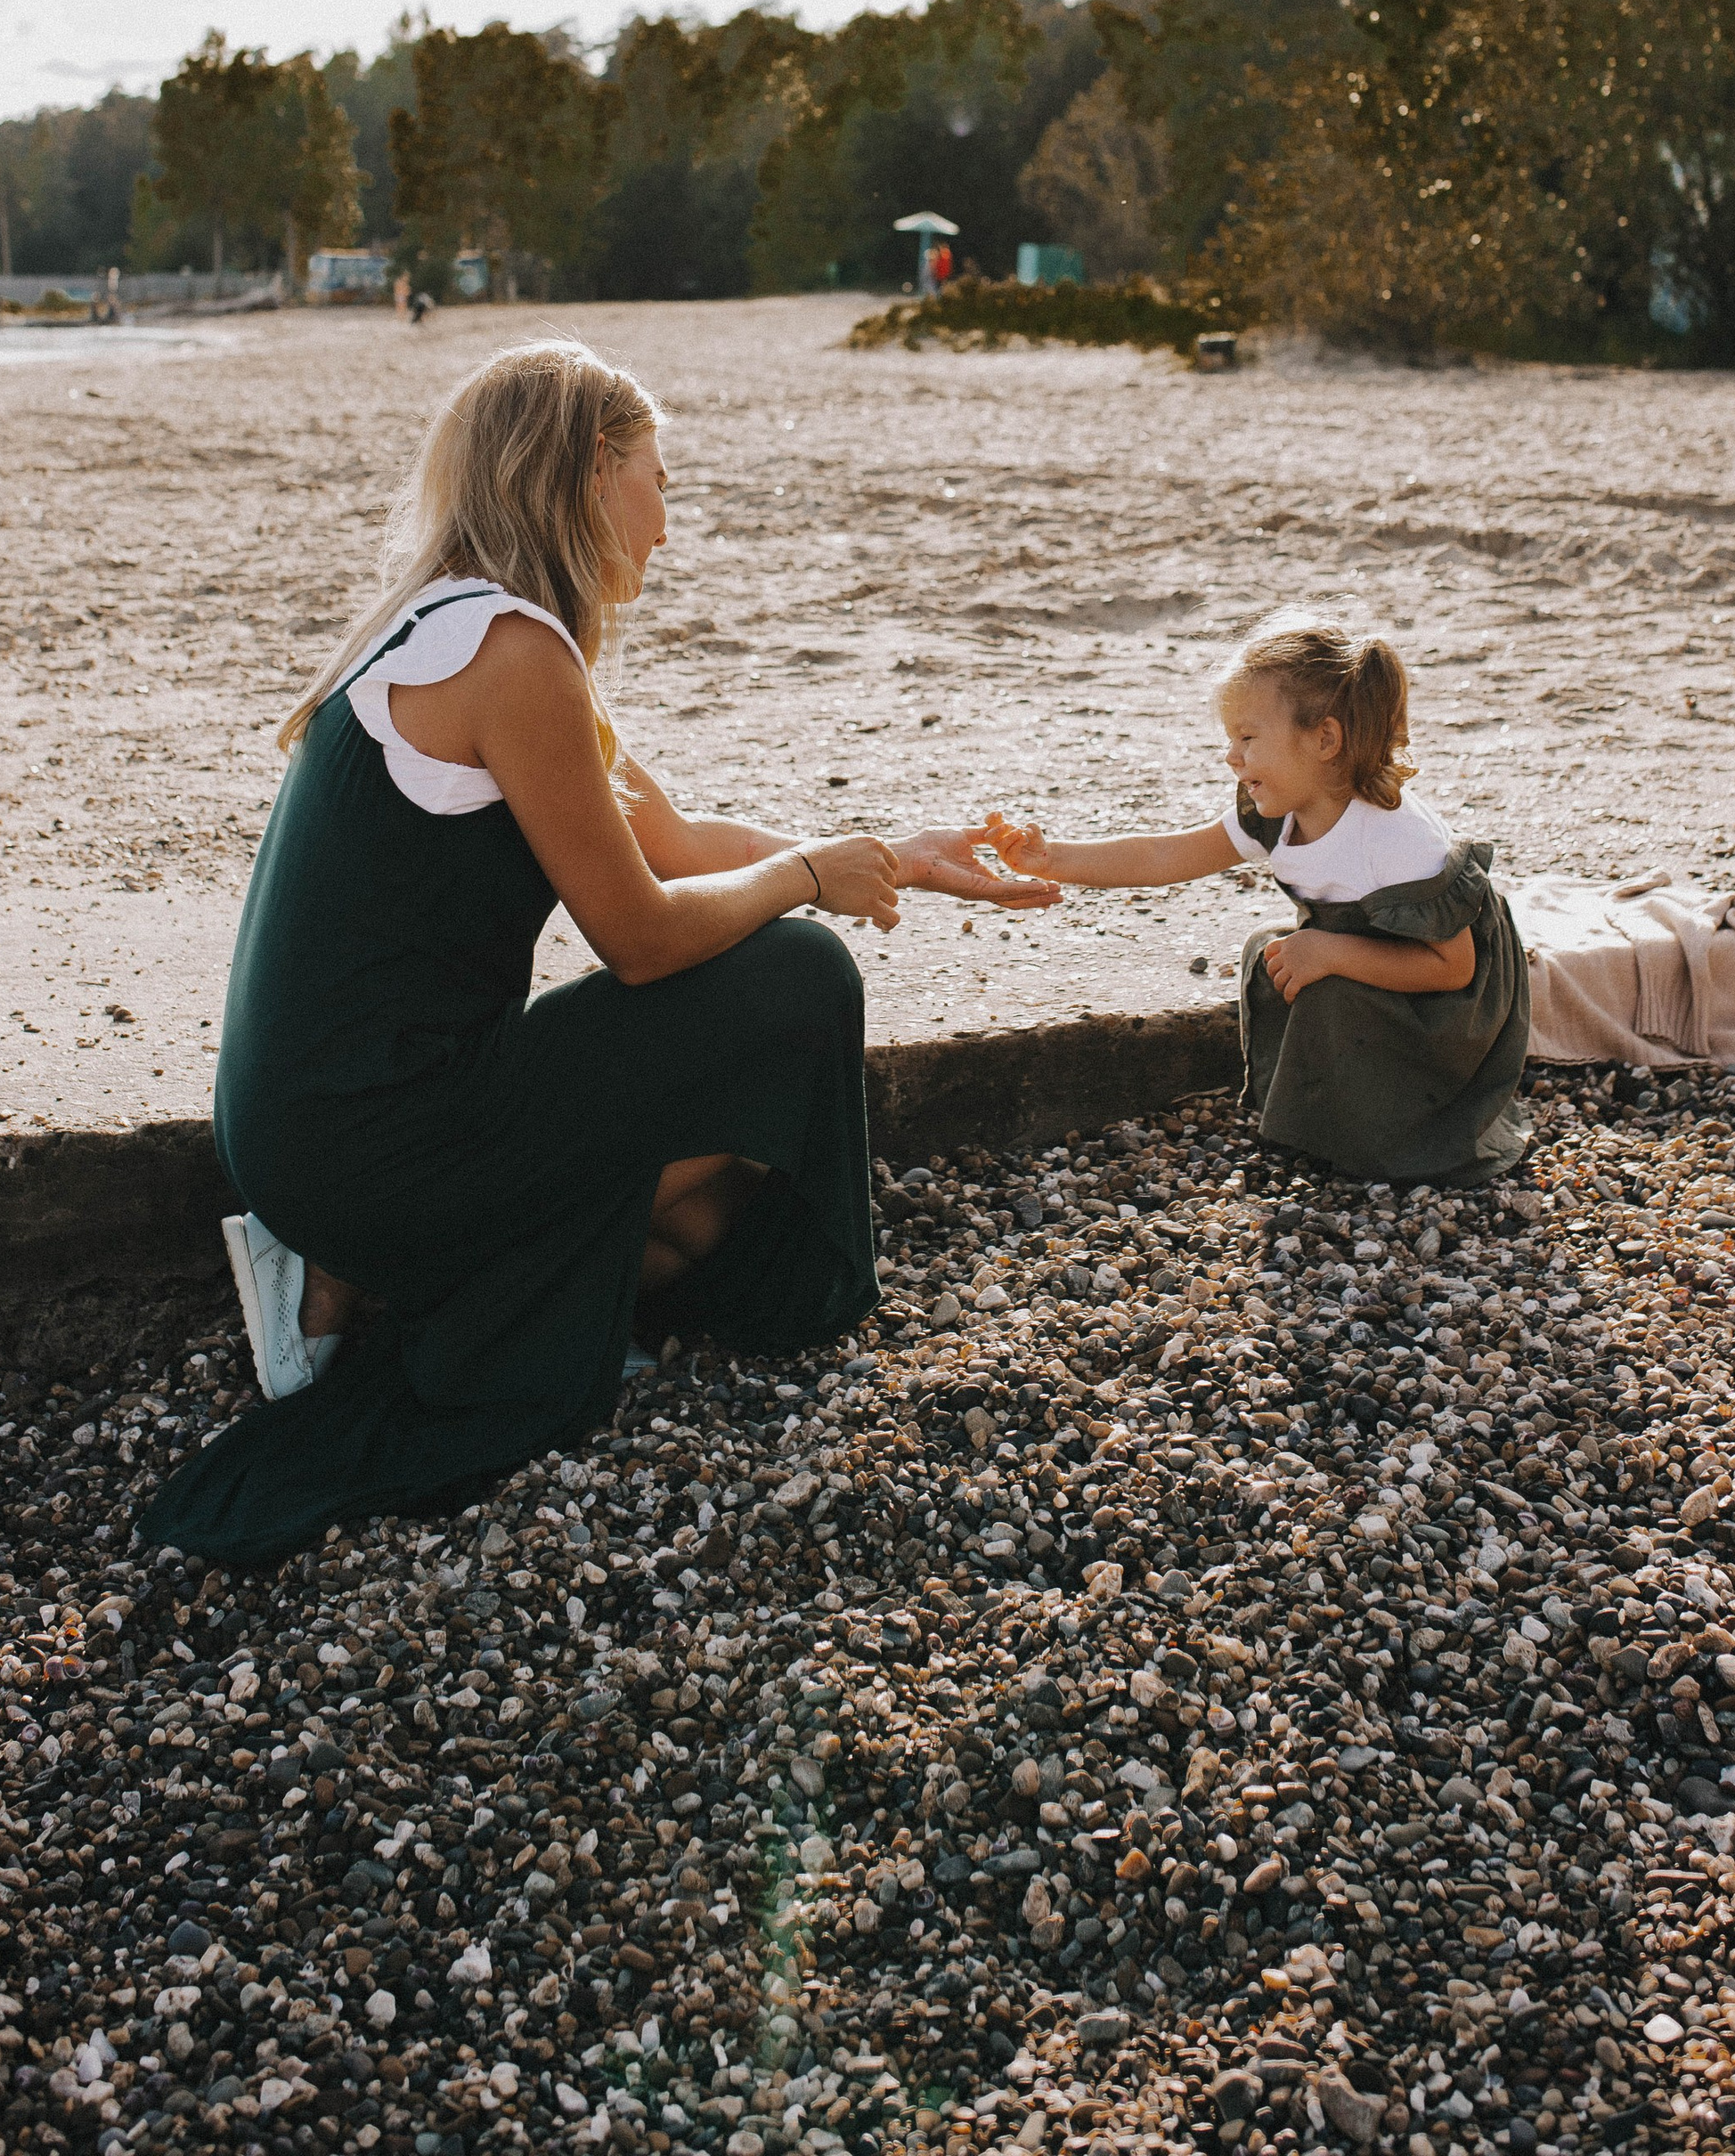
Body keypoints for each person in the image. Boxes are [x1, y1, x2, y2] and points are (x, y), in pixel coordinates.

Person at [138, 334, 1055, 1568]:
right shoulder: (514, 657)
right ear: (587, 479)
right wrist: (806, 882)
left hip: (308, 1126)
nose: (665, 526)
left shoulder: (447, 623)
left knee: (729, 1121)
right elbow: (640, 939)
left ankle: (373, 1277)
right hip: (368, 1143)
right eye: (658, 483)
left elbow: (669, 841)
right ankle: (417, 1282)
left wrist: (889, 852)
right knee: (796, 975)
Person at [984, 611, 1529, 1186]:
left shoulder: (1396, 839)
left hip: (1449, 1010)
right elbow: (1165, 857)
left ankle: (1404, 1137)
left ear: (1324, 738)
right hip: (1370, 956)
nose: (1231, 756)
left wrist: (1330, 952)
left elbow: (1454, 969)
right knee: (1271, 954)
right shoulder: (1281, 811)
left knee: (1327, 983)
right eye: (1230, 739)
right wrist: (1055, 860)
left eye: (1247, 738)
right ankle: (1323, 1122)